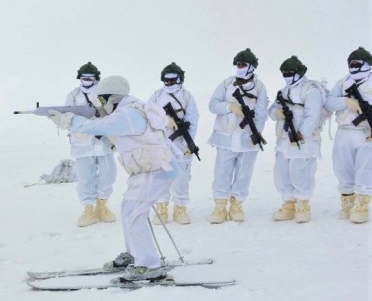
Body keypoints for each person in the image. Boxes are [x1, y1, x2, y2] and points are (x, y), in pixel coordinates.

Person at [47, 75, 177, 281]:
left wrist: (69, 120)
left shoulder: (127, 114)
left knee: (134, 212)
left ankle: (149, 264)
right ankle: (135, 254)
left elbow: (97, 127)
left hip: (156, 170)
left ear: (112, 98)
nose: (101, 105)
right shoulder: (132, 109)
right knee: (129, 209)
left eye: (102, 101)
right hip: (147, 169)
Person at [207, 48, 268, 223]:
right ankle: (220, 206)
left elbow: (261, 112)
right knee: (222, 171)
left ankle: (237, 204)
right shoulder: (227, 84)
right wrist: (229, 107)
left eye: (243, 64)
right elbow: (213, 105)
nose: (240, 67)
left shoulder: (259, 87)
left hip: (247, 137)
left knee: (244, 172)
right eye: (238, 64)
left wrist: (255, 132)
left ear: (251, 67)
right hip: (225, 136)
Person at [268, 56, 325, 223]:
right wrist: (276, 114)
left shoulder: (310, 90)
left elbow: (312, 116)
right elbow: (272, 109)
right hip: (284, 140)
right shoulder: (284, 91)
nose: (286, 76)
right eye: (284, 74)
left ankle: (303, 204)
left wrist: (302, 134)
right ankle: (288, 203)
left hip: (302, 142)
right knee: (281, 172)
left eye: (289, 73)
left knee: (299, 172)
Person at [64, 62, 117, 227]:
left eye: (90, 78)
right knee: (85, 176)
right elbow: (67, 118)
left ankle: (102, 205)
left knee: (108, 173)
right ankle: (88, 208)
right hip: (82, 142)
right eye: (83, 78)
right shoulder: (73, 95)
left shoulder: (103, 93)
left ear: (96, 79)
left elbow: (112, 113)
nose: (86, 81)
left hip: (104, 141)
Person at [325, 46, 372, 223]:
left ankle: (362, 205)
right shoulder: (344, 82)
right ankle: (347, 202)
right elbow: (330, 102)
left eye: (357, 63)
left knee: (366, 168)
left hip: (366, 132)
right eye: (350, 63)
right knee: (342, 167)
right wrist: (345, 101)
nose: (353, 66)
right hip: (344, 130)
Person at [148, 62, 199, 224]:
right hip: (161, 143)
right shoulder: (157, 95)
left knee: (181, 178)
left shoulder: (187, 97)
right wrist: (165, 120)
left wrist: (189, 145)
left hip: (181, 143)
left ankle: (180, 208)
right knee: (160, 177)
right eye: (166, 80)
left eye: (172, 80)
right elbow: (148, 115)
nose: (169, 84)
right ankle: (162, 208)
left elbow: (193, 120)